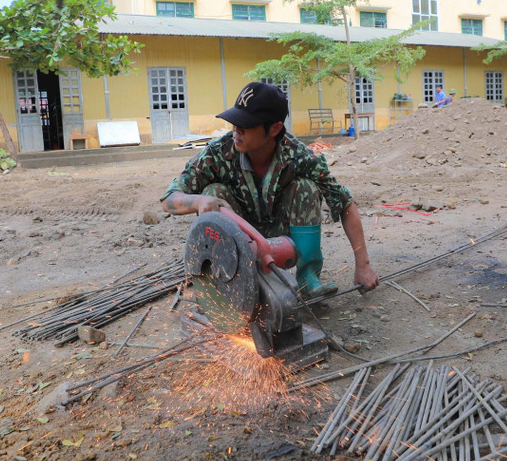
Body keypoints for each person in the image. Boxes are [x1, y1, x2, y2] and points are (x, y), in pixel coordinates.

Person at [161, 81, 380, 299]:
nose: (236, 130)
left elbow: (344, 203)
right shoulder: (218, 153)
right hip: (238, 236)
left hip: (282, 240)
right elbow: (169, 198)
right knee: (213, 193)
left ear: (274, 128)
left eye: (245, 124)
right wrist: (198, 202)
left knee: (305, 188)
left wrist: (363, 265)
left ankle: (308, 279)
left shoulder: (299, 156)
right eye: (235, 122)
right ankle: (228, 283)